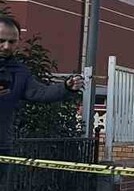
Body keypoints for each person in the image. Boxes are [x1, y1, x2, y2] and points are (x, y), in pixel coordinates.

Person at [0, 16, 84, 180]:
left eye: (12, 42)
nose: (6, 47)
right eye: (1, 40)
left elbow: (40, 93)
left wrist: (66, 87)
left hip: (2, 145)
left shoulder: (19, 71)